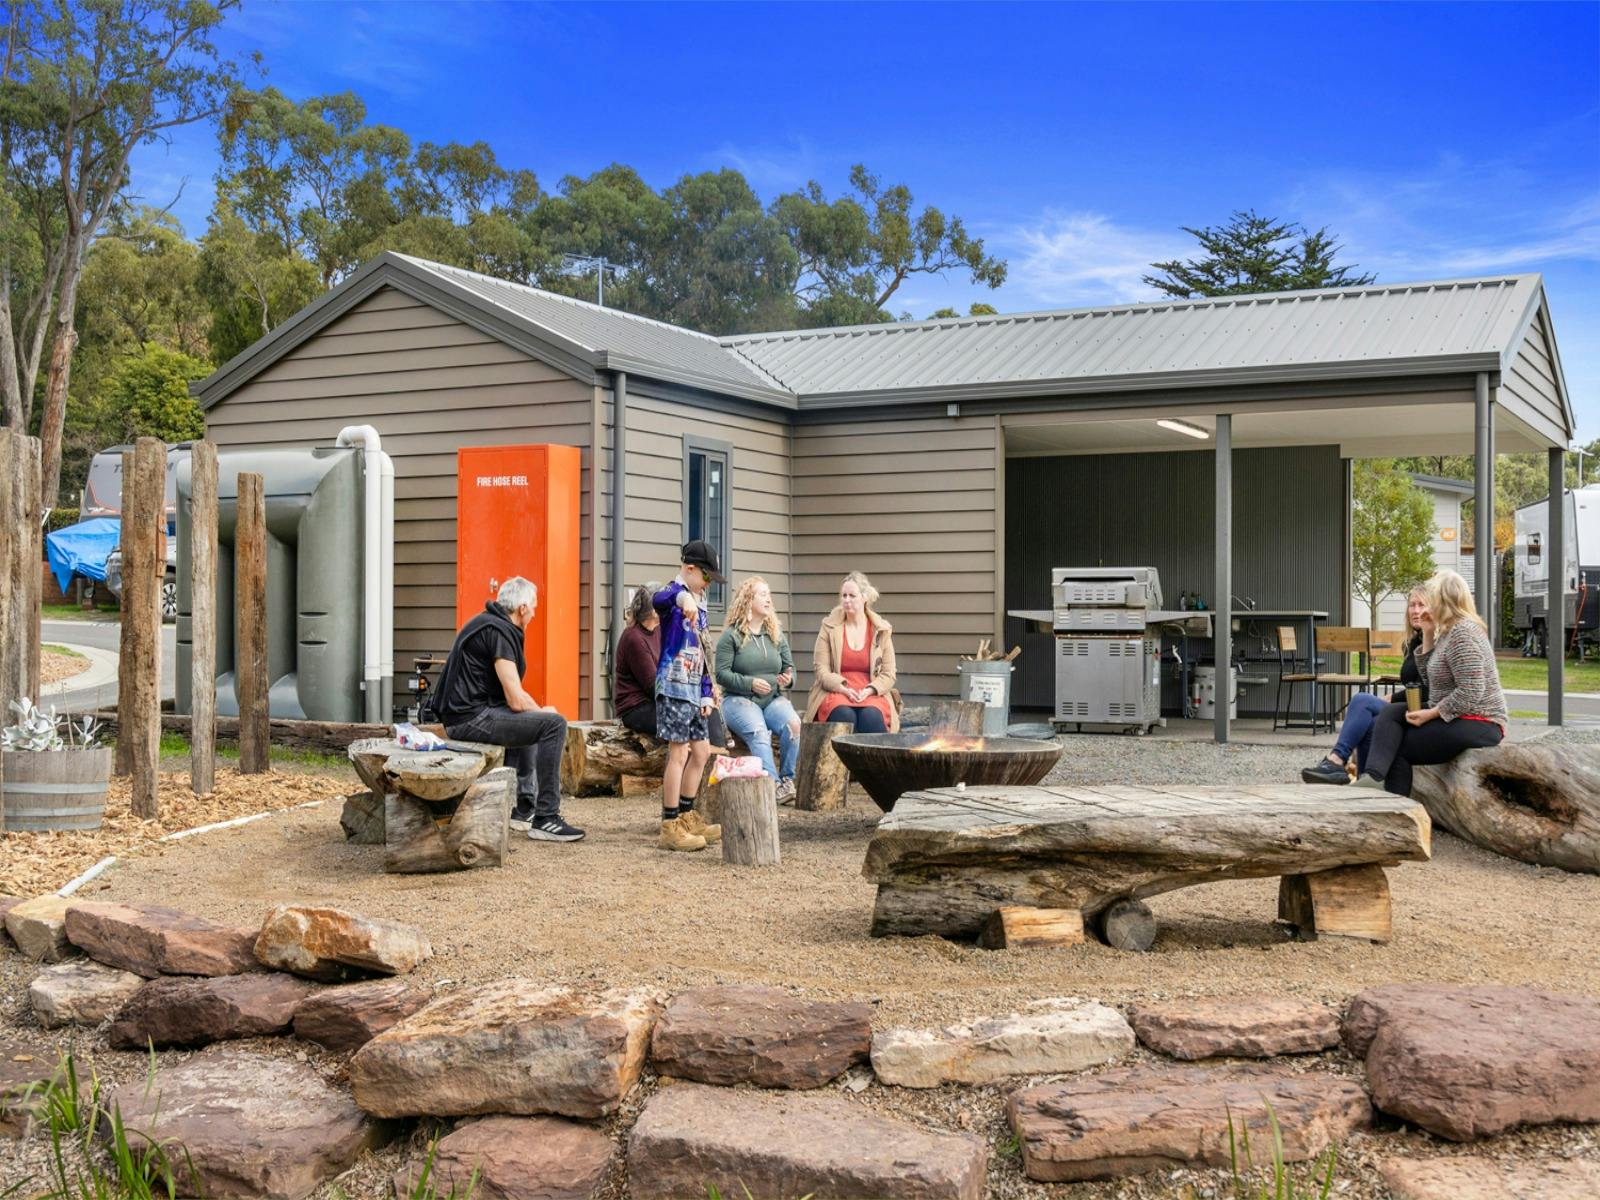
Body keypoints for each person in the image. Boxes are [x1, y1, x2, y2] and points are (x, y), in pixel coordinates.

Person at [431, 576, 583, 843]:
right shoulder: (499, 631)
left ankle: (524, 809)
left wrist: (535, 712)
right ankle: (546, 817)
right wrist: (545, 712)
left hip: (463, 714)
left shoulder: (489, 623)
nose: (535, 612)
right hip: (470, 718)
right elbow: (515, 699)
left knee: (531, 721)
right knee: (552, 724)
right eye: (534, 606)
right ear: (522, 608)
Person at [1359, 569, 1507, 797]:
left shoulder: (1463, 634)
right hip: (1456, 715)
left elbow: (1472, 690)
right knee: (1390, 713)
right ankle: (1372, 778)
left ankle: (1395, 807)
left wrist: (1432, 713)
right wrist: (1428, 634)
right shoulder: (1448, 632)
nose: (1426, 607)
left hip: (1480, 720)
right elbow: (1431, 682)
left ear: (1443, 601)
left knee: (1400, 746)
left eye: (1431, 599)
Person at [1302, 587, 1428, 785]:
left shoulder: (1434, 642)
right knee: (1368, 718)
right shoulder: (1412, 643)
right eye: (1412, 605)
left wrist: (1393, 698)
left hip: (1427, 710)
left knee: (1362, 701)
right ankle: (1364, 780)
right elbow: (1415, 684)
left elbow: (1428, 688)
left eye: (1422, 605)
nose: (1416, 610)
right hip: (1409, 705)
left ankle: (1337, 760)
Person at [652, 541, 725, 852]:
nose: (708, 584)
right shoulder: (674, 595)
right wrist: (683, 597)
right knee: (679, 753)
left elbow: (705, 652)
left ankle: (687, 814)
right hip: (674, 685)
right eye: (706, 577)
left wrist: (708, 693)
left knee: (701, 752)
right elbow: (659, 598)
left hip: (695, 689)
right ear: (690, 569)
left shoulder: (702, 601)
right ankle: (670, 824)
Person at [716, 576, 800, 802]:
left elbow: (790, 670)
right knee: (759, 732)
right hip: (738, 700)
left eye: (769, 594)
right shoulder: (731, 636)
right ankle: (772, 786)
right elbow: (721, 675)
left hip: (772, 699)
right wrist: (750, 683)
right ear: (747, 600)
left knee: (793, 724)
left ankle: (787, 781)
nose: (768, 599)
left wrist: (788, 680)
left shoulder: (775, 635)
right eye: (763, 594)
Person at [614, 582, 728, 748]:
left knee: (706, 705)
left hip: (660, 698)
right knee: (690, 714)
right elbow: (653, 686)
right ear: (654, 611)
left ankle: (718, 756)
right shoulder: (634, 638)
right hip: (637, 708)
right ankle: (713, 761)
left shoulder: (660, 630)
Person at [806, 570, 899, 733]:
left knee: (871, 717)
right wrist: (842, 688)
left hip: (871, 692)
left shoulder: (881, 630)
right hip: (837, 690)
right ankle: (835, 759)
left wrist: (870, 690)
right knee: (844, 715)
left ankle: (873, 759)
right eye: (844, 595)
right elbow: (821, 669)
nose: (846, 600)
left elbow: (889, 673)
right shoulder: (829, 627)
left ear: (864, 598)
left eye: (852, 596)